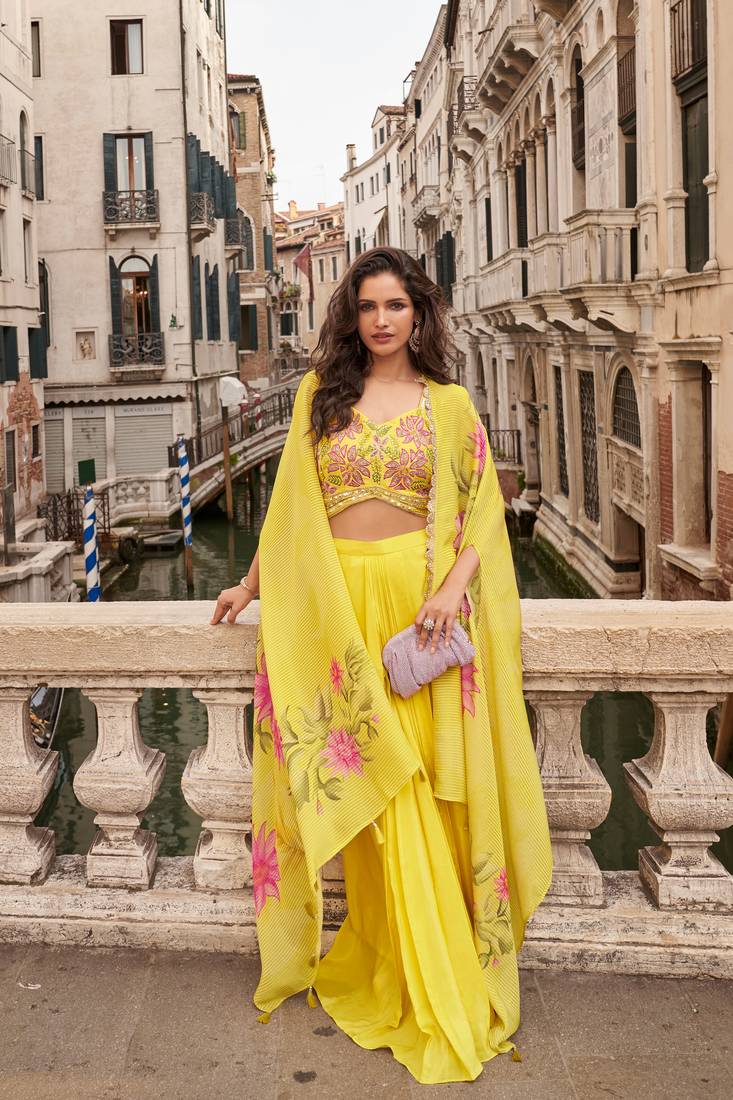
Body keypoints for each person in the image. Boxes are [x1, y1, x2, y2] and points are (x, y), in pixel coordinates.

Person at [210, 246, 553, 1085]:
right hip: (334, 613)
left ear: (419, 313)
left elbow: (482, 512)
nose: (381, 320)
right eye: (367, 306)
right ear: (350, 316)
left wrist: (451, 591)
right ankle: (390, 960)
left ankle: (436, 977)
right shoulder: (317, 398)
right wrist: (249, 585)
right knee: (371, 787)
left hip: (415, 614)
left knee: (413, 789)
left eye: (395, 305)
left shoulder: (449, 404)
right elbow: (290, 511)